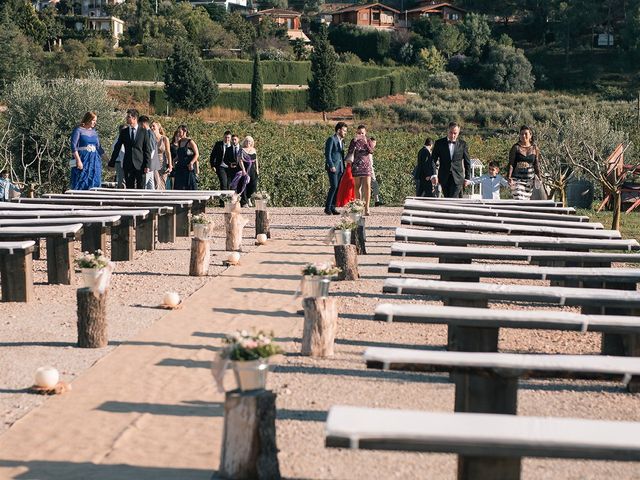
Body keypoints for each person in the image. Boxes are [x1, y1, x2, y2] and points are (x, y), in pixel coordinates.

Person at [108, 109, 152, 189]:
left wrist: (147, 165)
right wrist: (112, 162)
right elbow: (117, 147)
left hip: (140, 164)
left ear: (134, 118)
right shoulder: (124, 132)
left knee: (140, 187)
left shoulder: (143, 131)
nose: (126, 118)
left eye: (128, 117)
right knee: (129, 187)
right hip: (128, 164)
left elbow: (147, 149)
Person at [430, 122, 471, 198]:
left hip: (458, 177)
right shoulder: (439, 143)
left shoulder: (463, 144)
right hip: (443, 177)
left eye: (455, 133)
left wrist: (468, 178)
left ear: (458, 132)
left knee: (453, 197)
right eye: (451, 132)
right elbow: (432, 160)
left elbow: (467, 162)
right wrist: (434, 175)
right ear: (447, 131)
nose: (453, 135)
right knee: (447, 198)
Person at [70, 111, 104, 190]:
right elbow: (73, 146)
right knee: (81, 179)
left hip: (94, 160)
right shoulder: (78, 130)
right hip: (83, 158)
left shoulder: (94, 132)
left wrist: (108, 161)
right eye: (93, 120)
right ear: (88, 119)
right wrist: (78, 161)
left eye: (95, 121)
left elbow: (99, 147)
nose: (94, 122)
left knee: (94, 178)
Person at [507, 125, 542, 200]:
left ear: (530, 135)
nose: (523, 136)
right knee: (519, 197)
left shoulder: (535, 148)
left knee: (525, 200)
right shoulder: (515, 147)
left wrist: (539, 176)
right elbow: (511, 164)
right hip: (517, 179)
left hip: (529, 179)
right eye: (521, 134)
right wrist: (509, 177)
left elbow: (536, 164)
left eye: (526, 134)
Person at [346, 124, 375, 216]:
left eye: (362, 133)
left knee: (367, 186)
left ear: (365, 133)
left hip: (366, 166)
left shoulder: (369, 140)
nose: (360, 134)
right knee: (357, 187)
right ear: (356, 133)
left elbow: (371, 151)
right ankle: (358, 207)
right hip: (357, 166)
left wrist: (366, 142)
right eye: (359, 133)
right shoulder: (353, 141)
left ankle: (367, 208)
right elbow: (349, 152)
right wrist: (354, 142)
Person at [324, 122, 347, 215]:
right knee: (333, 186)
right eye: (344, 130)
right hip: (333, 167)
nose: (345, 132)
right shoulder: (331, 139)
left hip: (340, 168)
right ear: (338, 130)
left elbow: (341, 155)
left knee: (337, 188)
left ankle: (333, 207)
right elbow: (327, 154)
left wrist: (343, 167)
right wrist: (331, 165)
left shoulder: (342, 141)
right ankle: (327, 208)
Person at [230, 136, 259, 206]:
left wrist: (257, 169)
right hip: (244, 168)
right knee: (244, 184)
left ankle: (249, 197)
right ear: (244, 142)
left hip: (252, 169)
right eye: (246, 141)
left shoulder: (254, 150)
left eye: (249, 141)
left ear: (252, 142)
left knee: (253, 185)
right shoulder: (241, 150)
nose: (248, 143)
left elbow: (256, 160)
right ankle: (244, 201)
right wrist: (243, 170)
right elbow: (240, 160)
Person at [173, 124, 199, 190]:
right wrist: (174, 160)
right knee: (179, 186)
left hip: (188, 167)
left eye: (179, 132)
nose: (178, 133)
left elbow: (197, 154)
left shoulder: (190, 142)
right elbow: (179, 155)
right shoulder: (179, 142)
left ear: (185, 132)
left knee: (190, 186)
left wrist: (191, 162)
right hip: (180, 167)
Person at [151, 121, 172, 190]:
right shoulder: (150, 139)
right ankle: (155, 198)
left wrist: (170, 165)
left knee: (162, 184)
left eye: (153, 126)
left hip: (163, 163)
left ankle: (162, 199)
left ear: (158, 128)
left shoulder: (164, 139)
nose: (152, 128)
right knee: (156, 183)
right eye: (151, 126)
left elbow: (168, 152)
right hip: (153, 163)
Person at [139, 115, 158, 189]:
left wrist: (147, 164)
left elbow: (150, 150)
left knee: (145, 185)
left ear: (143, 123)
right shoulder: (151, 133)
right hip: (150, 162)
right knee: (150, 184)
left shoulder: (148, 134)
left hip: (147, 162)